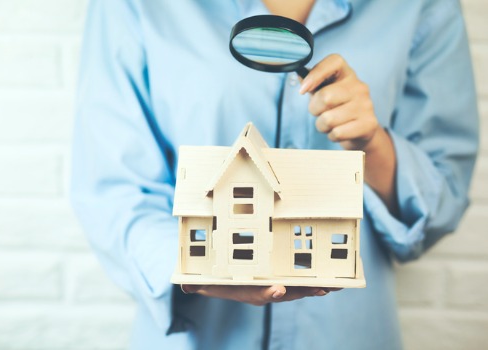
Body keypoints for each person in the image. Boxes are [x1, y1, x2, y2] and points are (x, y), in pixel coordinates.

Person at [71, 0, 479, 349]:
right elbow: (112, 189)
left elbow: (445, 192)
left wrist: (373, 145)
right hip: (200, 335)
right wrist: (195, 266)